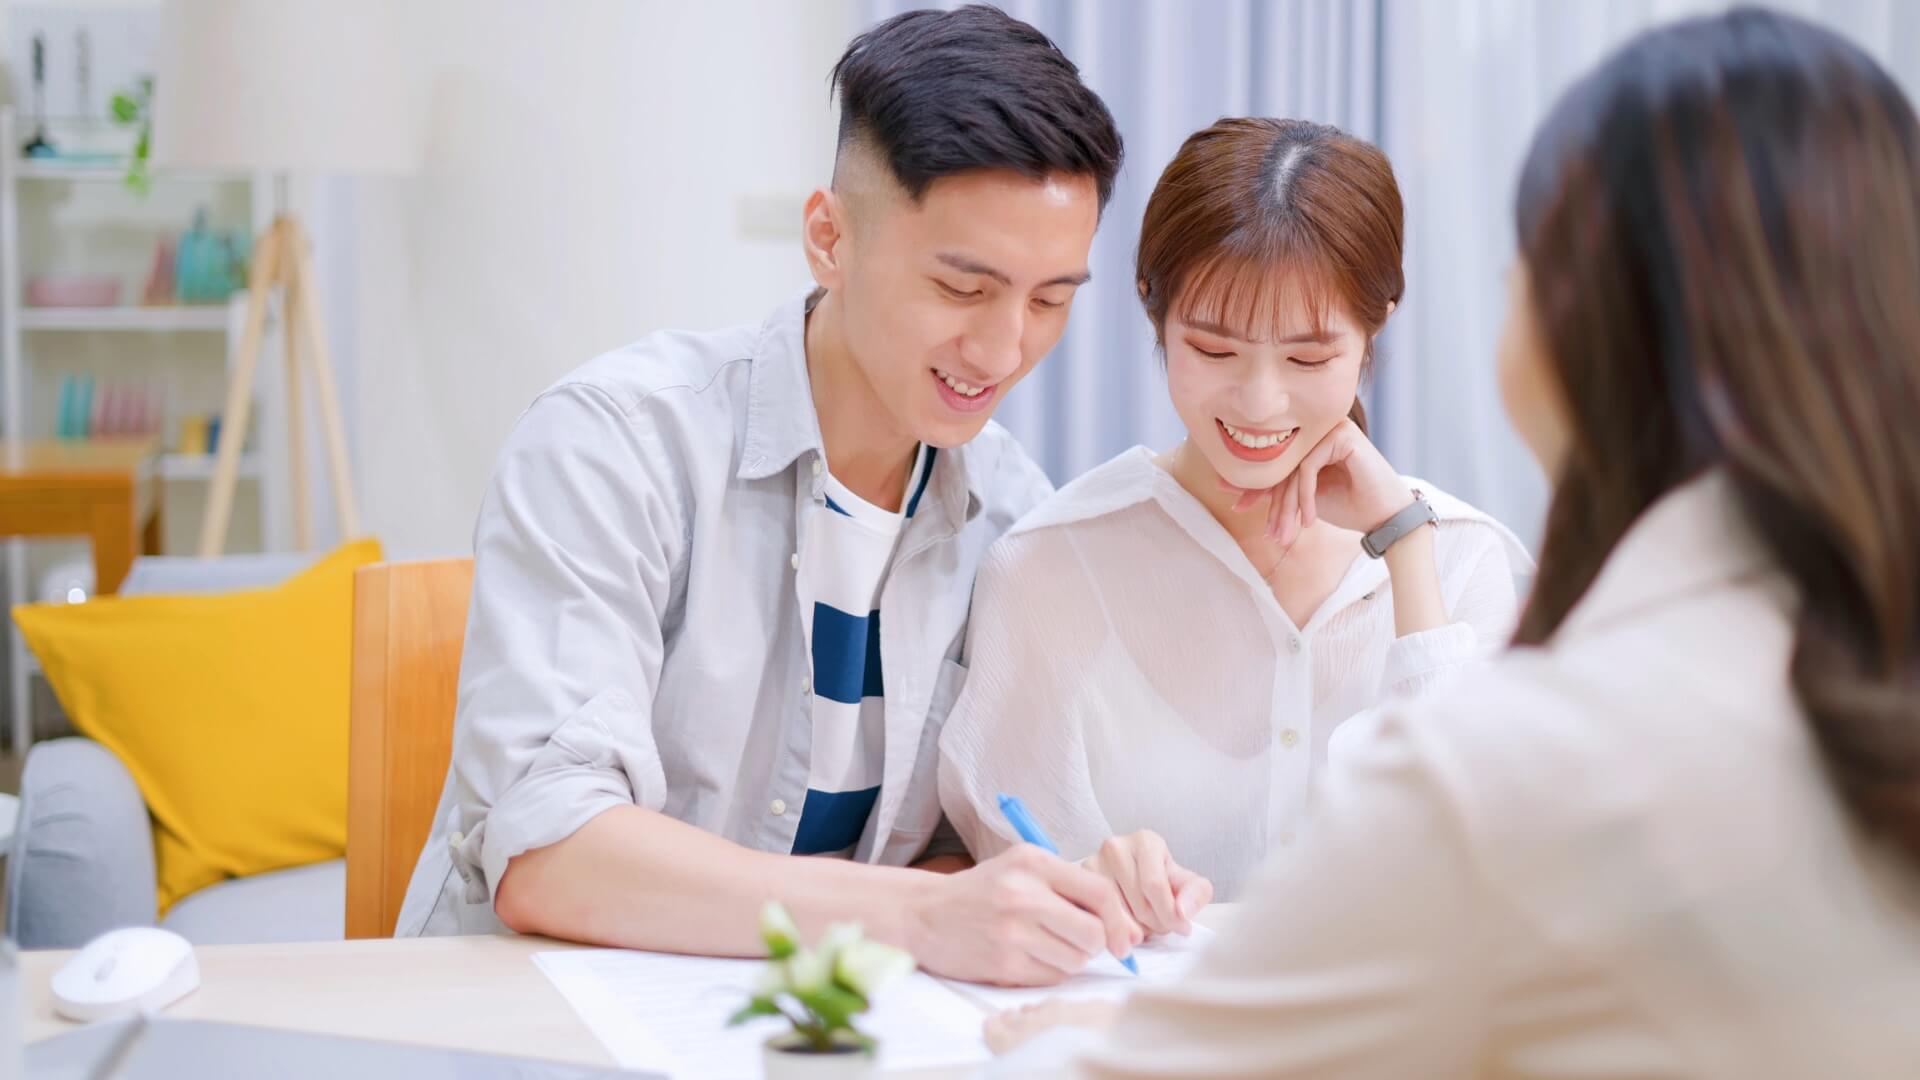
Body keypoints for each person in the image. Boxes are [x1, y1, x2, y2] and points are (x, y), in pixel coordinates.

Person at [987, 8, 1920, 1074]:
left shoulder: (1531, 739)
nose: (1259, 396)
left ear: (1592, 321)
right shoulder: (1789, 658)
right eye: (1214, 343)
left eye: (1526, 263)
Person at [396, 5, 1150, 990]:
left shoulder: (1009, 513)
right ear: (829, 240)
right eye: (964, 288)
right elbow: (552, 855)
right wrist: (923, 914)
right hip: (547, 1016)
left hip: (809, 1028)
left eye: (1051, 298)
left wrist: (1067, 886)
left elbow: (977, 836)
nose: (1006, 350)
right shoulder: (613, 445)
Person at [939, 117, 1528, 916]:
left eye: (1308, 358)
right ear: (1153, 309)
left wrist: (1405, 548)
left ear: (1377, 322)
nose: (1259, 402)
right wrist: (1091, 886)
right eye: (1213, 351)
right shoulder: (1050, 568)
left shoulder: (1462, 560)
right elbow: (1023, 892)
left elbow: (1486, 866)